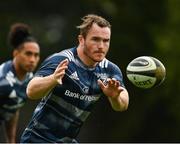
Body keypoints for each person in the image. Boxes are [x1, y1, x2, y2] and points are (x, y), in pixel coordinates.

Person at [20, 14, 129, 143]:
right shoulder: (62, 60)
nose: (101, 46)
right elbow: (31, 91)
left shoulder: (110, 70)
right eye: (95, 39)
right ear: (81, 39)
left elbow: (122, 104)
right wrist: (53, 79)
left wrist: (114, 97)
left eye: (106, 40)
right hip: (37, 139)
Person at [0, 23, 40, 143]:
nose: (32, 60)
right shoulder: (3, 82)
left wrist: (11, 141)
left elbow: (12, 109)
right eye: (28, 54)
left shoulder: (29, 79)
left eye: (36, 55)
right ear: (16, 53)